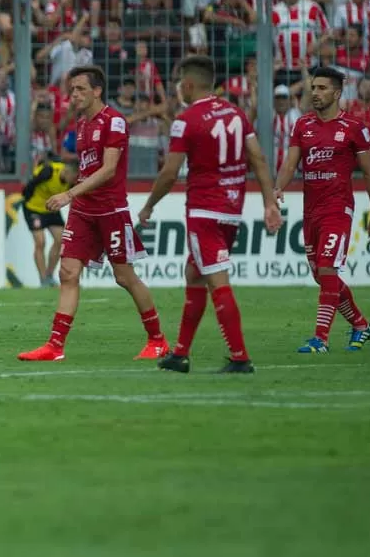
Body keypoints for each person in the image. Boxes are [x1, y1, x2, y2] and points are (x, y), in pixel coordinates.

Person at [138, 56, 282, 374]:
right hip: (231, 211)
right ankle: (180, 354)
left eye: (180, 84)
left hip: (204, 210)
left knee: (217, 281)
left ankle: (240, 357)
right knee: (194, 275)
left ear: (188, 85)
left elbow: (170, 172)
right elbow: (257, 157)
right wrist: (269, 202)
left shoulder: (186, 120)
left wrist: (149, 205)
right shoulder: (236, 114)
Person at [18, 65, 169, 362]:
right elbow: (86, 168)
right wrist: (73, 193)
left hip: (110, 209)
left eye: (80, 89)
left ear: (97, 91)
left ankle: (158, 340)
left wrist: (69, 193)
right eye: (72, 90)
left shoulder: (114, 122)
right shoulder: (82, 125)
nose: (74, 95)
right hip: (83, 209)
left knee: (124, 277)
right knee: (68, 273)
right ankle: (55, 346)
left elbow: (109, 169)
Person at [272, 66, 370, 353]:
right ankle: (360, 324)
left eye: (322, 88)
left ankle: (320, 338)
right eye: (314, 88)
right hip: (311, 213)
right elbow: (290, 163)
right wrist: (278, 187)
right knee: (322, 275)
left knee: (327, 268)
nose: (316, 93)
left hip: (338, 209)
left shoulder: (354, 128)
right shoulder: (303, 125)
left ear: (336, 92)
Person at [20, 154, 75, 287]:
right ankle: (43, 279)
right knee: (40, 242)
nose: (74, 181)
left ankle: (50, 275)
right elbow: (29, 186)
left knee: (61, 239)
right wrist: (27, 199)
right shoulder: (48, 171)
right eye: (73, 177)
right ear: (67, 172)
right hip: (33, 208)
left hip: (51, 208)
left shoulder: (72, 180)